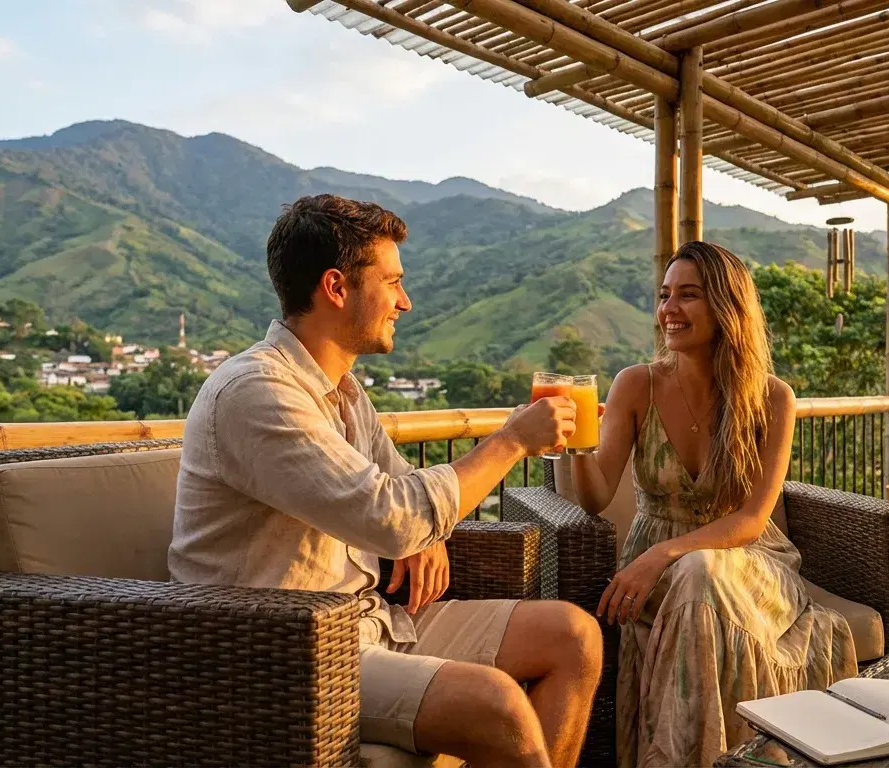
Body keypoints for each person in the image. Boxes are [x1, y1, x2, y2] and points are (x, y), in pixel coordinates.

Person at [169, 194, 602, 768]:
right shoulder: (256, 393)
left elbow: (404, 495)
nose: (406, 300)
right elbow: (392, 517)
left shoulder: (344, 391)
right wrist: (511, 442)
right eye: (393, 282)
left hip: (371, 620)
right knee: (495, 705)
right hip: (282, 648)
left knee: (573, 637)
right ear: (336, 287)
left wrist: (424, 533)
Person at [569, 241, 858, 767]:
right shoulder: (636, 385)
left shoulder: (771, 398)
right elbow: (593, 496)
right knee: (695, 575)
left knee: (698, 572)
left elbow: (752, 518)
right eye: (664, 296)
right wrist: (574, 441)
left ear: (727, 306)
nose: (668, 310)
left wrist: (662, 555)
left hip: (748, 561)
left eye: (688, 295)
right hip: (661, 569)